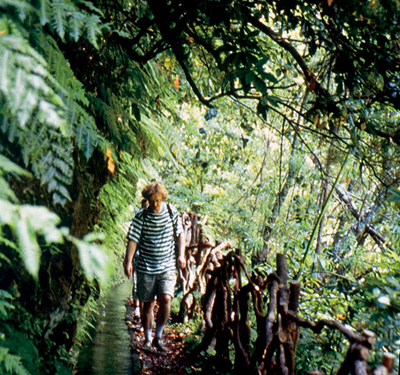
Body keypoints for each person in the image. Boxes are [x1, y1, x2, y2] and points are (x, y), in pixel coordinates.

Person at [123, 183, 186, 351]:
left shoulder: (172, 212)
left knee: (166, 299)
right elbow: (133, 240)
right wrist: (128, 261)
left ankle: (159, 337)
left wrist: (181, 255)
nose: (155, 204)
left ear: (163, 199)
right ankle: (148, 339)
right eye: (151, 201)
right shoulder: (141, 217)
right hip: (146, 267)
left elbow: (180, 235)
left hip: (166, 266)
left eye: (158, 200)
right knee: (148, 304)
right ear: (147, 200)